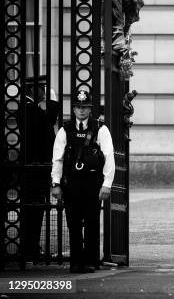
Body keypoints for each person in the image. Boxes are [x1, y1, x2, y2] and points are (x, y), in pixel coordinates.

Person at [50, 90, 115, 273]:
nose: (81, 111)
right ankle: (76, 262)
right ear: (74, 109)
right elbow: (58, 158)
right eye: (78, 107)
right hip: (71, 184)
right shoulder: (66, 129)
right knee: (74, 224)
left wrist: (107, 184)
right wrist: (56, 183)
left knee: (92, 223)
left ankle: (90, 261)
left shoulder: (100, 129)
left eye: (84, 107)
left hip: (92, 183)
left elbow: (109, 157)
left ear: (90, 109)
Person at [19, 82, 59, 261]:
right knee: (34, 209)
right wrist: (51, 101)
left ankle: (31, 246)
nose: (44, 92)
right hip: (35, 168)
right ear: (33, 90)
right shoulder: (31, 109)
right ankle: (30, 247)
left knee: (35, 208)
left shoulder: (32, 108)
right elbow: (50, 119)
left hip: (36, 167)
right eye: (42, 89)